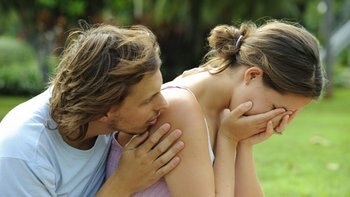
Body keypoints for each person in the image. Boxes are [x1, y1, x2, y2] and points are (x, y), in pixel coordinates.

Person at [106, 20, 325, 196]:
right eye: (277, 108)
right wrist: (228, 141)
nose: (279, 125)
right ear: (253, 75)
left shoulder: (226, 108)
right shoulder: (179, 108)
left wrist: (244, 143)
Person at [0, 24, 186, 196]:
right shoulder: (23, 155)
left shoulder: (96, 111)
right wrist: (122, 183)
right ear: (105, 111)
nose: (164, 103)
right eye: (148, 100)